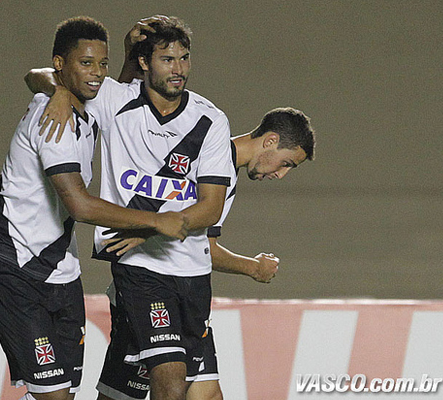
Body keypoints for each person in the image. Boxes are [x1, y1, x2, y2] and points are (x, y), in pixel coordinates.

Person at [0, 17, 190, 400]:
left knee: (63, 394)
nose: (97, 74)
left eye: (102, 64)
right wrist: (158, 222)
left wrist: (123, 58)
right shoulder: (52, 121)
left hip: (60, 273)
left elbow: (104, 94)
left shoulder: (84, 105)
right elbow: (80, 204)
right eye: (86, 63)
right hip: (14, 268)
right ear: (61, 65)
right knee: (53, 396)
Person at [25, 16, 234, 400]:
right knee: (169, 376)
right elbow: (38, 73)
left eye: (184, 59)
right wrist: (56, 92)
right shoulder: (115, 100)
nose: (179, 69)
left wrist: (151, 227)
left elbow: (211, 208)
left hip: (192, 271)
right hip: (141, 271)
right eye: (168, 59)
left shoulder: (210, 120)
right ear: (143, 63)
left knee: (174, 389)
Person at [98, 107, 316, 400]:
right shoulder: (208, 158)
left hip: (186, 292)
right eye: (285, 162)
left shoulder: (224, 168)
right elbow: (194, 240)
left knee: (206, 394)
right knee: (152, 388)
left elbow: (199, 245)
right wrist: (253, 268)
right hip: (150, 285)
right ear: (270, 141)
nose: (281, 174)